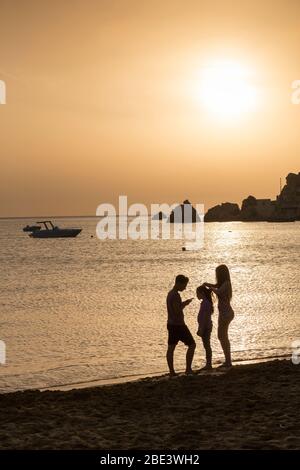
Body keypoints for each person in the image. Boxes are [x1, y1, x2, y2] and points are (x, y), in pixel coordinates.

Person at [204, 264, 234, 369]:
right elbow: (217, 286)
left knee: (222, 336)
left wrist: (211, 288)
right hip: (224, 313)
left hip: (226, 313)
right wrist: (208, 284)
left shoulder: (226, 283)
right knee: (223, 336)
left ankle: (228, 361)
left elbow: (218, 291)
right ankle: (228, 360)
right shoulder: (223, 283)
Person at [166, 275, 195, 376]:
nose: (185, 288)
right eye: (184, 285)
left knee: (171, 348)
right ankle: (188, 369)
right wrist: (185, 304)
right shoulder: (174, 295)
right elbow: (177, 311)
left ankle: (172, 371)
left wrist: (184, 303)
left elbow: (175, 308)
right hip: (178, 325)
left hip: (171, 324)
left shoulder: (170, 294)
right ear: (178, 283)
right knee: (192, 344)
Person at [196, 284, 214, 370]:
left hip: (206, 327)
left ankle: (209, 364)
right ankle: (208, 363)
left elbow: (205, 317)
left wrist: (201, 329)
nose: (196, 295)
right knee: (206, 345)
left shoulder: (206, 303)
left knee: (207, 345)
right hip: (205, 326)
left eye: (197, 293)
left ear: (202, 293)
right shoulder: (204, 303)